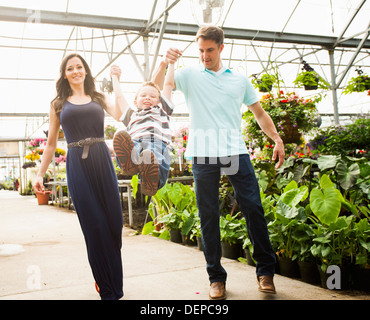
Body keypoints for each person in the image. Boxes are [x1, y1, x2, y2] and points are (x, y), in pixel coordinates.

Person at [152, 26, 285, 300]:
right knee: (208, 215)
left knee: (253, 208)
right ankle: (216, 277)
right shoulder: (188, 74)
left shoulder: (239, 80)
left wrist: (276, 138)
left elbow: (259, 113)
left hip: (234, 152)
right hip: (202, 154)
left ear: (221, 48)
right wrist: (165, 61)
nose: (205, 56)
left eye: (210, 50)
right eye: (200, 51)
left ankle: (265, 272)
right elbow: (156, 86)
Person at [33, 53, 125, 300]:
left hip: (102, 161)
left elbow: (120, 114)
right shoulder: (58, 104)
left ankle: (114, 282)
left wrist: (116, 80)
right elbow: (51, 144)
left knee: (114, 224)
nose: (76, 71)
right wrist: (40, 174)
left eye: (79, 67)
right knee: (94, 226)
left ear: (86, 71)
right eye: (70, 68)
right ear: (65, 74)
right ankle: (107, 288)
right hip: (78, 165)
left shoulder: (98, 97)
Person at [112, 63, 176, 196]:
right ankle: (129, 163)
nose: (148, 97)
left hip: (156, 144)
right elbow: (119, 97)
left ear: (159, 101)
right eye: (143, 95)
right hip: (135, 144)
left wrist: (171, 64)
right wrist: (115, 77)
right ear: (135, 102)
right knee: (124, 137)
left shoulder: (162, 110)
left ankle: (151, 182)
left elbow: (168, 84)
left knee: (152, 155)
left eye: (152, 96)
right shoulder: (131, 114)